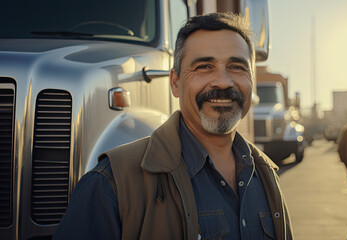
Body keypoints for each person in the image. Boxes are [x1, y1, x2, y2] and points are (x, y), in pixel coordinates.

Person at [54, 12, 293, 240]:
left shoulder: (267, 176)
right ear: (175, 83)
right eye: (204, 67)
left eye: (237, 67)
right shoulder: (111, 183)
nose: (222, 81)